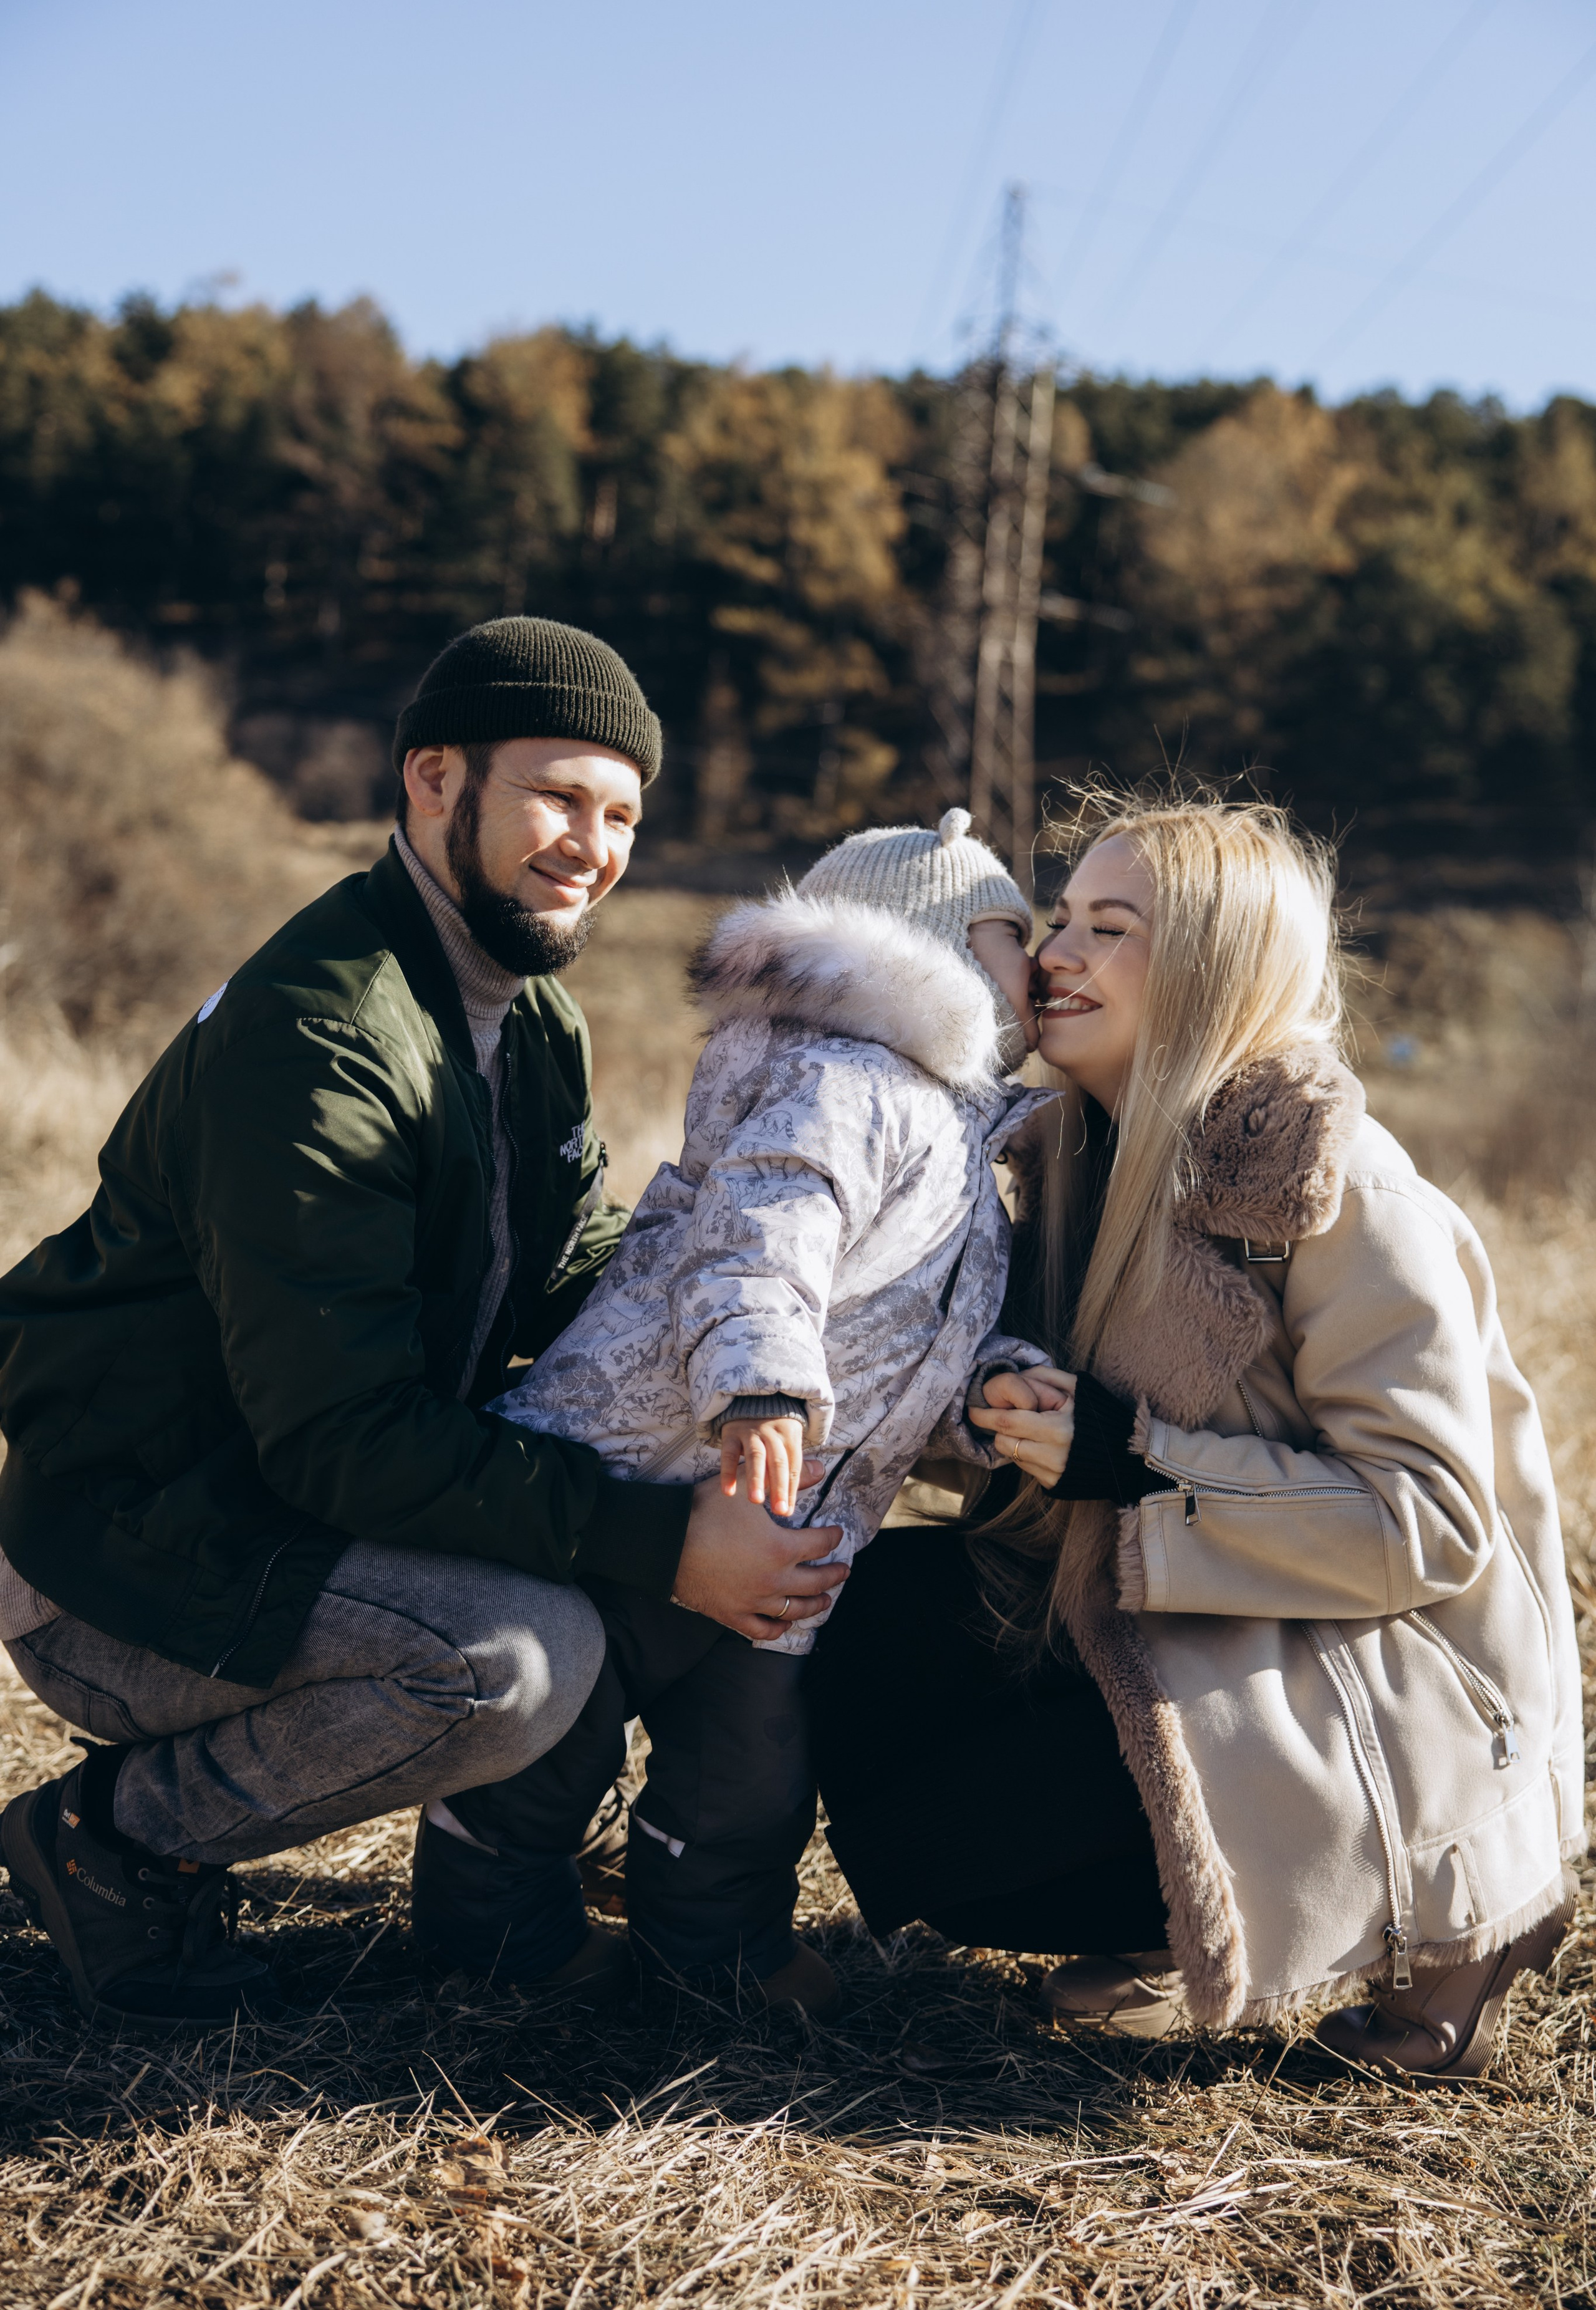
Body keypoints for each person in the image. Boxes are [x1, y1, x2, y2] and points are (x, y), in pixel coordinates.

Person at [0, 615, 843, 2033]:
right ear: (433, 780)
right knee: (515, 1662)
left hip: (256, 1520)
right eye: (557, 795)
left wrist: (742, 1362)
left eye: (623, 812)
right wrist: (662, 1543)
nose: (593, 842)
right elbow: (342, 1439)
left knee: (595, 1563)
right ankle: (116, 1841)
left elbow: (575, 1266)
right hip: (129, 1560)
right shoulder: (320, 1036)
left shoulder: (527, 1018)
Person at [810, 785, 1585, 2081]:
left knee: (967, 1855)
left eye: (1106, 927)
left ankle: (1452, 1921)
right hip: (1182, 1625)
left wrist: (1127, 1456)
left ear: (1216, 968)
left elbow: (1431, 1526)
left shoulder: (1336, 1192)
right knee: (874, 1629)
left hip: (1381, 1685)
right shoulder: (1061, 1165)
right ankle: (1172, 1915)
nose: (1051, 954)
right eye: (1057, 919)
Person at [426, 811, 1049, 2015]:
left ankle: (717, 1952)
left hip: (792, 1529)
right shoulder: (848, 1087)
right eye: (1019, 936)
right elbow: (763, 1234)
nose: (1047, 962)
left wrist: (987, 1401)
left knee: (751, 1773)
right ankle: (495, 1938)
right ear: (937, 952)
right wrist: (759, 1382)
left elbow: (909, 1343)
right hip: (650, 1476)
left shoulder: (962, 1139)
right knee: (554, 1749)